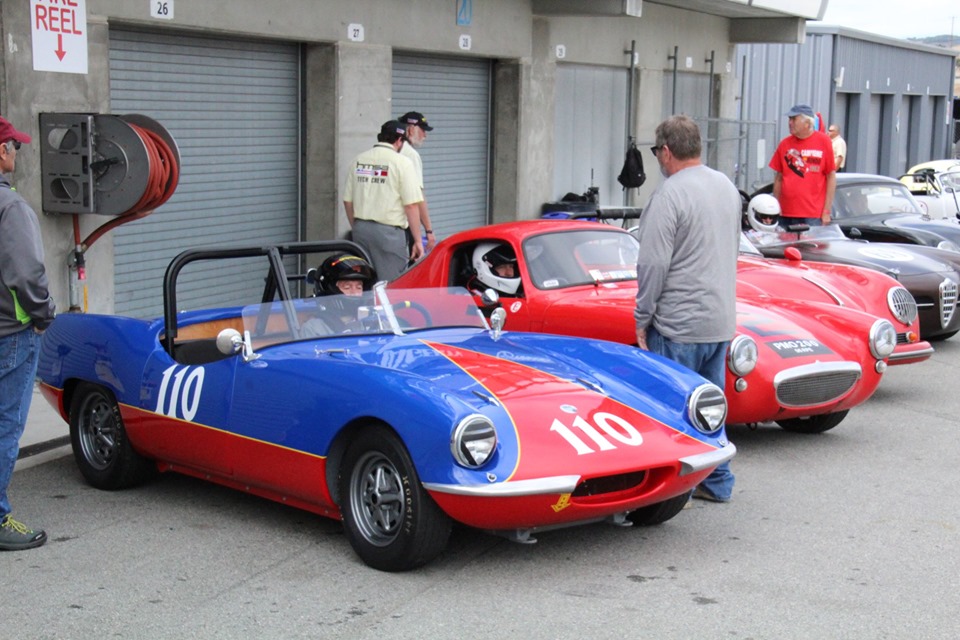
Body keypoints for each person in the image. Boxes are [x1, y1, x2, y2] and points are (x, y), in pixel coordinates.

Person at [634, 115, 739, 503]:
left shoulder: (669, 194)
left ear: (665, 151)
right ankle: (717, 480)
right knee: (711, 407)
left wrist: (642, 317)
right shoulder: (726, 186)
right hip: (720, 319)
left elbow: (653, 265)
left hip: (678, 322)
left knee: (671, 410)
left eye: (655, 152)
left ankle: (669, 493)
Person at [0, 116, 56, 550]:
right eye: (14, 146)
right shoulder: (11, 207)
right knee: (4, 427)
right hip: (10, 335)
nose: (16, 153)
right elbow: (27, 275)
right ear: (1, 152)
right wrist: (43, 315)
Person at [343, 120, 423, 282]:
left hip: (360, 230)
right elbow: (411, 205)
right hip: (389, 235)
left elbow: (347, 201)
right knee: (391, 285)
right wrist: (418, 240)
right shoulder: (402, 163)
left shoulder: (359, 160)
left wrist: (357, 226)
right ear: (399, 140)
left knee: (364, 282)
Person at [769, 104, 837, 229]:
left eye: (794, 119)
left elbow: (831, 177)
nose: (790, 123)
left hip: (812, 216)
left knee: (810, 249)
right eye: (789, 119)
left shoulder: (823, 141)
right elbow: (779, 178)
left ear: (807, 123)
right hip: (785, 214)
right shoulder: (784, 144)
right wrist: (775, 207)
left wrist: (826, 211)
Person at [301, 253, 377, 337]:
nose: (355, 293)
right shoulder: (314, 328)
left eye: (359, 287)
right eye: (347, 287)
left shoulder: (374, 322)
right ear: (330, 290)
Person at [398, 111, 437, 252]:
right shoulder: (411, 155)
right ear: (411, 129)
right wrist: (429, 231)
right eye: (423, 130)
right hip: (402, 226)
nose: (425, 136)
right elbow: (417, 196)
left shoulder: (391, 150)